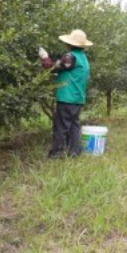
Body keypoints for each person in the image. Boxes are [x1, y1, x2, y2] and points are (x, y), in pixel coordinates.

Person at [39, 29, 93, 159]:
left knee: (61, 126)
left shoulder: (70, 57)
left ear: (71, 44)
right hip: (78, 98)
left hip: (67, 97)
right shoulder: (83, 58)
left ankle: (57, 153)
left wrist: (44, 57)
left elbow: (52, 67)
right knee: (74, 125)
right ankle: (74, 152)